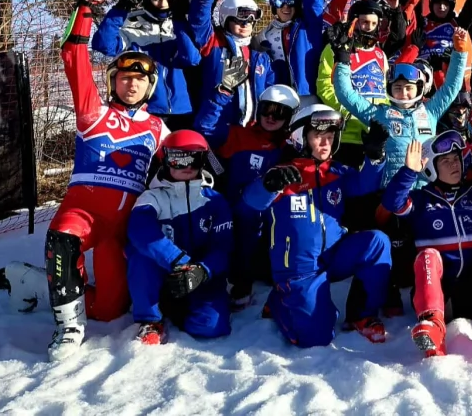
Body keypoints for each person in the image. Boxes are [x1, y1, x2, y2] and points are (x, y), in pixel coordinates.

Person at [44, 0, 169, 361]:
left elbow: (186, 168)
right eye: (125, 77)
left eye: (140, 80)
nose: (132, 83)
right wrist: (85, 7)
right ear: (114, 80)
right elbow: (72, 55)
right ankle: (68, 327)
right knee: (63, 238)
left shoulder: (158, 128)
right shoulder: (92, 111)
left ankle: (50, 284)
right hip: (83, 212)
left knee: (109, 310)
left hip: (120, 229)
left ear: (150, 87)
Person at [242, 104, 392, 346]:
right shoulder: (282, 173)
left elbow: (366, 184)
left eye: (330, 138)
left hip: (333, 255)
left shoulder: (336, 171)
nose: (326, 144)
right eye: (318, 137)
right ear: (301, 137)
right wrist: (269, 185)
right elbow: (250, 203)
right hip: (298, 268)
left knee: (377, 242)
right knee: (316, 338)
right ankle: (279, 301)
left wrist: (375, 157)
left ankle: (361, 315)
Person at [381, 133, 472, 357]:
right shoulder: (421, 200)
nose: (454, 165)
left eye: (456, 159)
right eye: (445, 161)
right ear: (431, 168)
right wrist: (409, 172)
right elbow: (392, 202)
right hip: (440, 295)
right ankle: (432, 327)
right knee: (428, 255)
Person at [195, 84, 301, 309]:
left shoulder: (290, 147)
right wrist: (222, 93)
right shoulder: (238, 134)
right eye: (266, 109)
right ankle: (241, 280)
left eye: (280, 112)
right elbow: (203, 129)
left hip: (271, 220)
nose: (271, 117)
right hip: (235, 212)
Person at [126, 130, 233, 344]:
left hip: (199, 274)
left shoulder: (215, 201)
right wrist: (178, 261)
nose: (187, 167)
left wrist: (202, 271)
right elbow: (139, 229)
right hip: (165, 269)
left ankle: (176, 308)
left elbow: (224, 247)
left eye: (194, 159)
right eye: (178, 160)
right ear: (165, 160)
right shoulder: (152, 197)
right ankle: (150, 318)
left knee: (213, 326)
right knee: (140, 256)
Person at [330, 26, 470, 186]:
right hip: (392, 190)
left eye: (409, 88)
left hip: (424, 191)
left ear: (419, 89)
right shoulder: (379, 114)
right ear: (389, 89)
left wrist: (459, 52)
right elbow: (345, 94)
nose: (403, 92)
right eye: (398, 88)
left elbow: (451, 87)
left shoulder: (430, 110)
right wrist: (342, 58)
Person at [92, 0, 200, 129]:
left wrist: (180, 19)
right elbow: (103, 45)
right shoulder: (131, 22)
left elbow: (191, 59)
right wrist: (121, 7)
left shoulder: (181, 24)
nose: (163, 3)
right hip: (144, 110)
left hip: (182, 111)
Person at [188, 0, 276, 130]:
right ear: (226, 19)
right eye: (240, 20)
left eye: (250, 21)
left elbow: (270, 89)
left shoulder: (260, 54)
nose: (245, 25)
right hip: (216, 123)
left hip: (251, 128)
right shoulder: (214, 42)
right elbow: (199, 22)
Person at [316, 0, 389, 167]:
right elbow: (324, 85)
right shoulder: (336, 49)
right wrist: (344, 110)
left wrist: (385, 116)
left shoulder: (380, 54)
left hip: (374, 134)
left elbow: (383, 89)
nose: (368, 28)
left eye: (373, 23)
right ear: (354, 21)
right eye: (364, 22)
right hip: (346, 133)